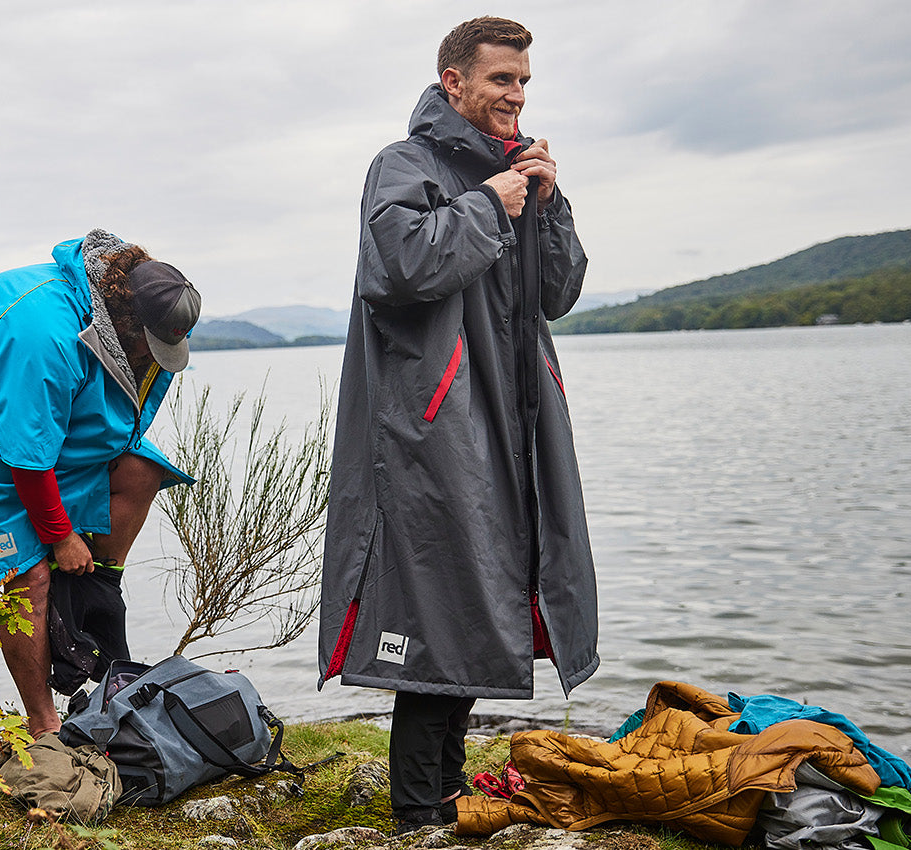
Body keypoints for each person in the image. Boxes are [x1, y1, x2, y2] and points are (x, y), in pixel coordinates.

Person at [317, 17, 598, 833]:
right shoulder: (403, 165)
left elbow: (558, 295)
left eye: (523, 83)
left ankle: (442, 791)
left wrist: (544, 204)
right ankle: (419, 810)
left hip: (515, 426)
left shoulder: (516, 172)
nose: (516, 95)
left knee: (491, 598)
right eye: (501, 80)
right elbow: (400, 267)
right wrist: (489, 204)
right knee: (437, 603)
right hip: (432, 426)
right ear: (454, 83)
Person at [0, 228, 201, 736]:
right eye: (147, 344)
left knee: (140, 469)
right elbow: (27, 456)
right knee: (28, 574)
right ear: (124, 319)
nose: (152, 355)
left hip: (36, 413)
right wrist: (60, 536)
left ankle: (93, 592)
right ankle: (45, 726)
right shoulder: (46, 335)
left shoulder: (126, 322)